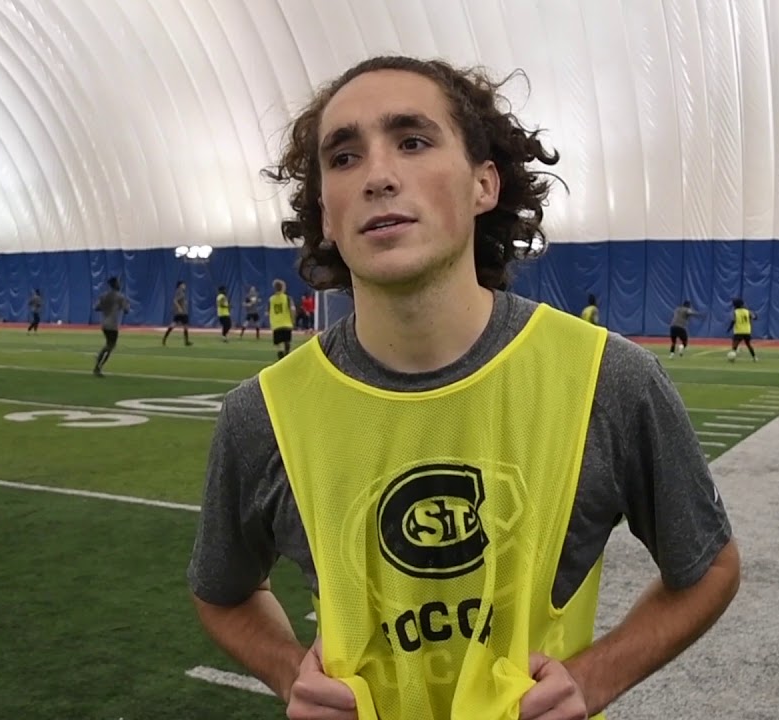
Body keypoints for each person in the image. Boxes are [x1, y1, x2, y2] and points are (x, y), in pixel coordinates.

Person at [188, 55, 740, 720]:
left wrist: (595, 678)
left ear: (484, 184)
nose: (379, 176)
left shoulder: (607, 380)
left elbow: (708, 567)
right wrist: (287, 672)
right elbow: (222, 592)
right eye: (343, 158)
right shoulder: (263, 414)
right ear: (326, 216)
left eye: (413, 142)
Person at [93, 276, 129, 377]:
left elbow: (96, 308)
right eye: (118, 283)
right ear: (116, 284)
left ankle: (98, 361)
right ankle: (98, 366)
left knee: (109, 345)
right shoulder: (120, 297)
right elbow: (126, 310)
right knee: (110, 346)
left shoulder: (104, 296)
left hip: (104, 324)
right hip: (112, 325)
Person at [268, 279, 295, 359]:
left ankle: (280, 354)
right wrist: (293, 320)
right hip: (286, 323)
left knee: (278, 343)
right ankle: (286, 355)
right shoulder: (287, 298)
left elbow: (269, 311)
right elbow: (292, 309)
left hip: (276, 324)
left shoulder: (271, 299)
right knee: (287, 341)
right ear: (283, 287)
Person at [163, 280, 193, 346]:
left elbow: (179, 300)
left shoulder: (180, 292)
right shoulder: (180, 292)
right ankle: (186, 341)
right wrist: (179, 308)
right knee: (183, 326)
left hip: (181, 312)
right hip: (182, 313)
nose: (185, 286)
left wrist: (183, 303)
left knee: (174, 325)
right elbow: (175, 300)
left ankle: (164, 339)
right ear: (180, 285)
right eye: (183, 285)